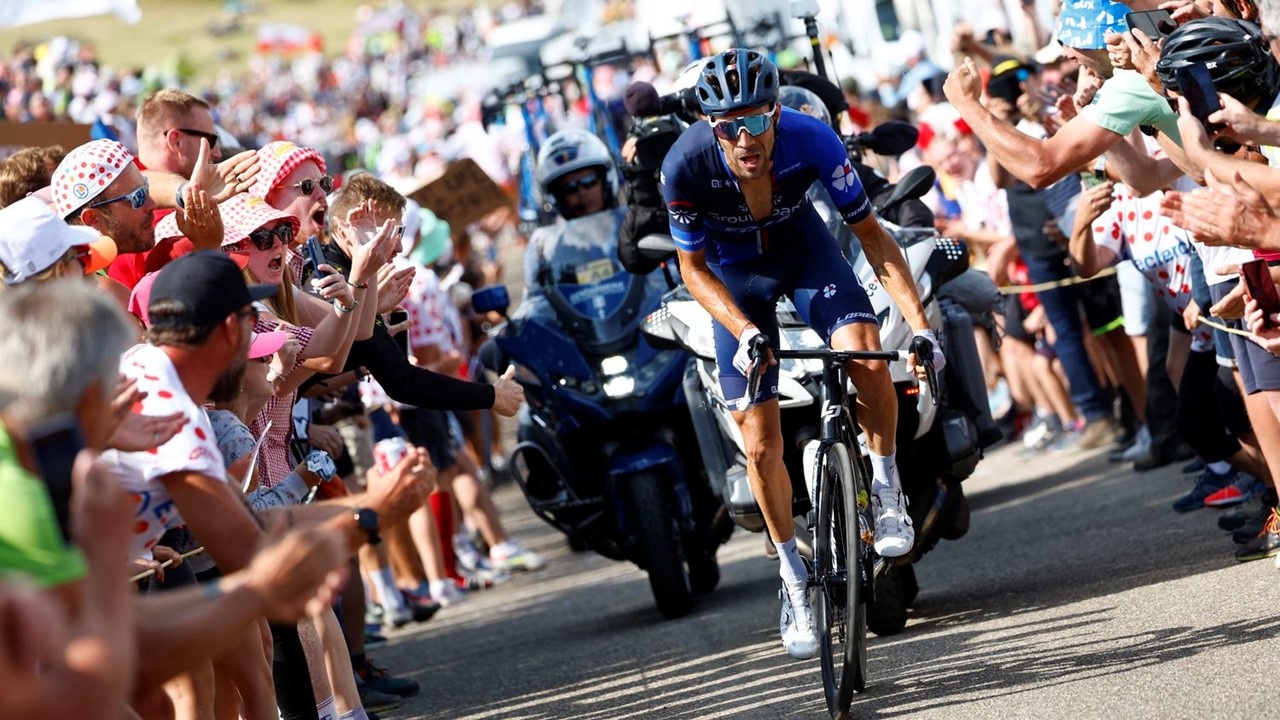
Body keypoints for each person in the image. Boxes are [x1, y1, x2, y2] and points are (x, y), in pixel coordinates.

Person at [660, 48, 944, 660]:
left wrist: (921, 328)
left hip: (805, 256)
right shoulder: (684, 165)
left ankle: (887, 488)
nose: (745, 137)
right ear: (712, 127)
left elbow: (873, 237)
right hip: (737, 285)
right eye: (730, 125)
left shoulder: (812, 138)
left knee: (867, 353)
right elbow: (693, 269)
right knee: (759, 443)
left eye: (756, 120)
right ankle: (792, 574)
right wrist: (742, 328)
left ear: (777, 114)